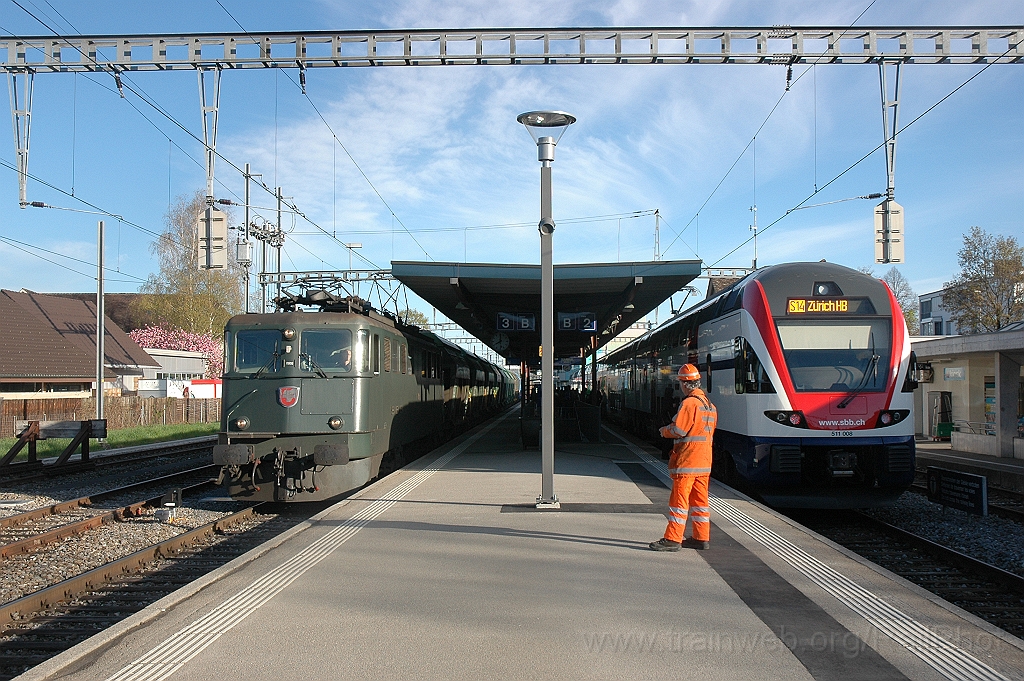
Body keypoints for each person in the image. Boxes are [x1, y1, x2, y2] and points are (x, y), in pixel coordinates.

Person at [650, 363, 718, 552]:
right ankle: (701, 537)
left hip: (688, 460)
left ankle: (673, 539)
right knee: (700, 502)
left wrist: (664, 431)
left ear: (686, 384)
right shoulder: (709, 406)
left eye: (681, 382)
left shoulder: (689, 403)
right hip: (704, 461)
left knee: (679, 501)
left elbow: (679, 430)